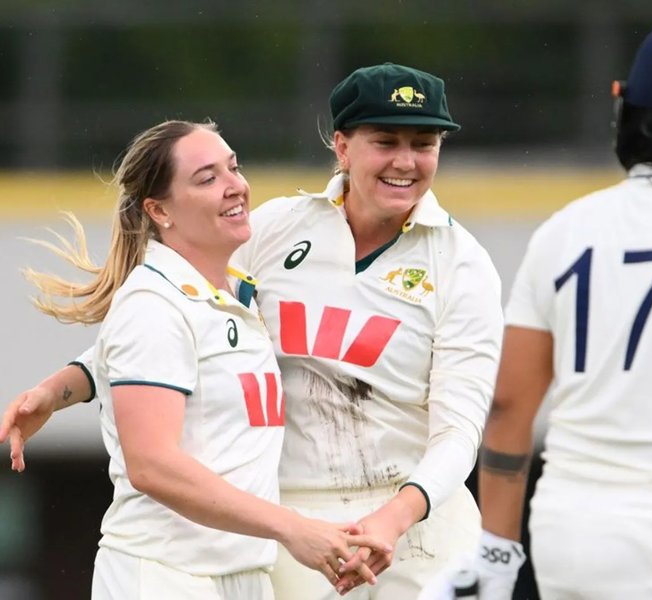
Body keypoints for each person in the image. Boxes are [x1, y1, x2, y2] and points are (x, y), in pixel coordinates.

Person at [1, 64, 504, 599]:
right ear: (342, 146)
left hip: (415, 527)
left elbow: (460, 429)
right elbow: (179, 316)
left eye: (424, 143)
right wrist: (62, 389)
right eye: (385, 141)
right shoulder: (276, 228)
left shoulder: (462, 265)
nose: (405, 161)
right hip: (291, 529)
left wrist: (394, 517)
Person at [425, 17, 652, 600]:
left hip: (566, 528)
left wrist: (497, 553)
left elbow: (506, 406)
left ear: (627, 112)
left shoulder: (563, 230)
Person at [4, 119, 390, 599]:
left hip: (240, 576)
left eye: (233, 168)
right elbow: (152, 466)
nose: (236, 187)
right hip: (168, 576)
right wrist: (293, 527)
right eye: (207, 178)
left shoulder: (230, 290)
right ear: (159, 210)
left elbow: (123, 358)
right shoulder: (152, 306)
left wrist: (56, 391)